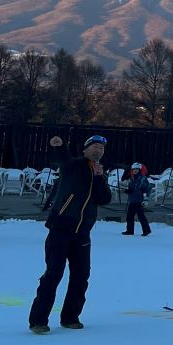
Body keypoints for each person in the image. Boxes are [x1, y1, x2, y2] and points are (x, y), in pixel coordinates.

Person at [29, 134, 112, 333]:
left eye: (101, 148)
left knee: (81, 275)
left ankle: (70, 317)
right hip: (61, 228)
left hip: (82, 233)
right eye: (95, 147)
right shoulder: (73, 165)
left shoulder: (99, 173)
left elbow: (104, 199)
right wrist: (59, 146)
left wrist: (99, 177)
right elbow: (63, 158)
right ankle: (38, 320)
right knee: (53, 273)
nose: (98, 150)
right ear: (85, 149)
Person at [123, 162, 152, 236]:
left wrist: (145, 199)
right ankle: (130, 230)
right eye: (133, 169)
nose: (135, 170)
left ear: (139, 170)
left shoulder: (142, 179)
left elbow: (146, 190)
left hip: (139, 201)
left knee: (141, 216)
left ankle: (146, 230)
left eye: (136, 169)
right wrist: (128, 191)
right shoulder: (132, 179)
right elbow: (132, 189)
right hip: (132, 200)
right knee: (129, 216)